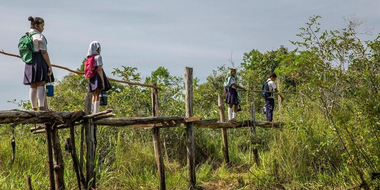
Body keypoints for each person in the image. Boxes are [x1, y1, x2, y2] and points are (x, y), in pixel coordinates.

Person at [23, 16, 54, 111]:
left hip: (29, 61)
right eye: (42, 26)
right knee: (41, 83)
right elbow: (44, 52)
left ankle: (33, 108)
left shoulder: (27, 36)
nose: (43, 28)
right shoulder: (39, 36)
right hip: (39, 59)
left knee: (33, 85)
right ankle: (41, 107)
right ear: (36, 26)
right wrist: (49, 65)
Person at [86, 41, 112, 114]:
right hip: (97, 76)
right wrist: (103, 82)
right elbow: (99, 69)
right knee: (97, 93)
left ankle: (92, 110)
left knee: (94, 93)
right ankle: (96, 111)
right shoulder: (98, 57)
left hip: (92, 76)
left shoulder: (89, 57)